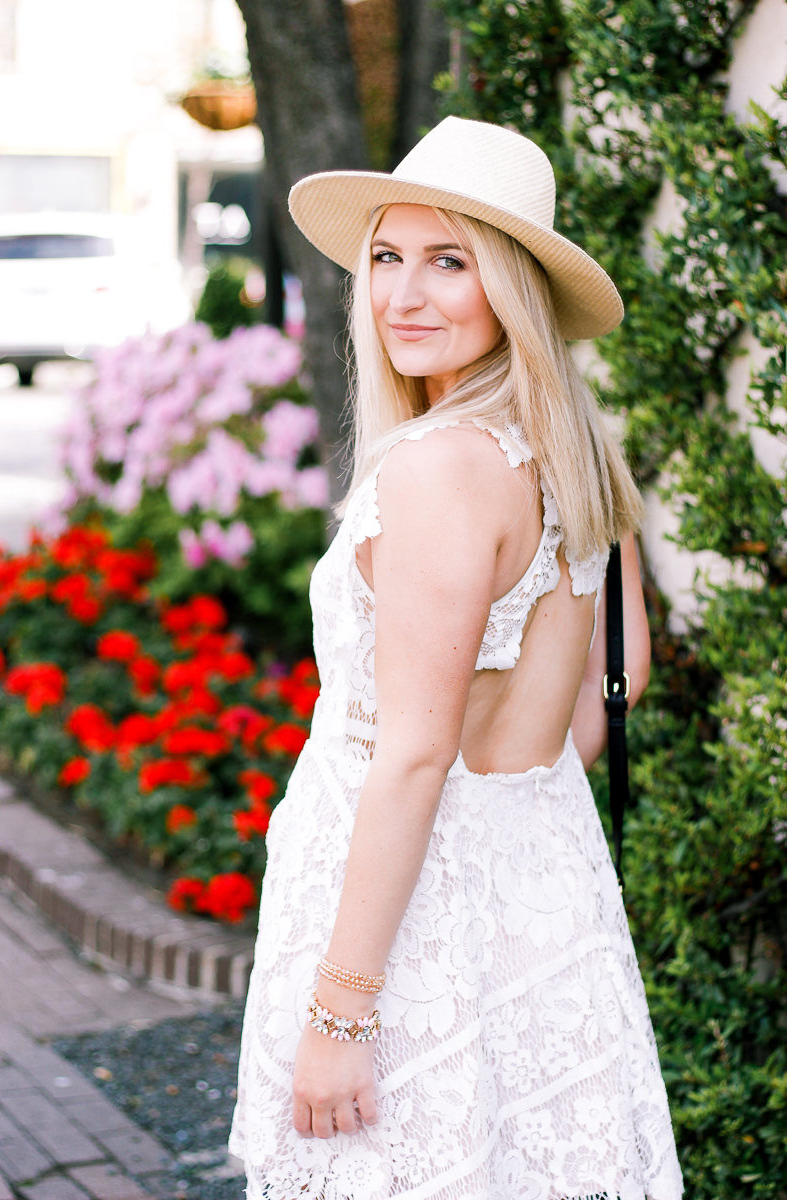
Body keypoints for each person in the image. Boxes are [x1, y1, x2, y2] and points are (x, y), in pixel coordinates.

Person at [229, 116, 683, 1200]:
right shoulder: (571, 450)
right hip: (540, 904)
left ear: (511, 288)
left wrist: (342, 1008)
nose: (403, 295)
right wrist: (511, 813)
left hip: (410, 928)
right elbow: (615, 678)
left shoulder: (439, 470)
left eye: (450, 261)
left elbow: (413, 754)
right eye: (388, 256)